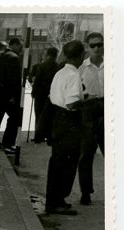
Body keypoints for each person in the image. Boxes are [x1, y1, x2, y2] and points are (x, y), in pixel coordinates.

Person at [45, 40, 92, 215]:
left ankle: (54, 199)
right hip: (69, 121)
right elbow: (72, 104)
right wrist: (87, 100)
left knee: (57, 161)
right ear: (81, 56)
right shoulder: (73, 75)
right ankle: (57, 201)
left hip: (57, 118)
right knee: (67, 162)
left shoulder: (60, 72)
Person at [77, 32, 104, 205]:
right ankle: (85, 192)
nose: (97, 48)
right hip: (88, 111)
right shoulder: (81, 68)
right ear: (87, 47)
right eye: (93, 45)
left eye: (99, 44)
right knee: (86, 154)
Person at [31, 47, 60, 143]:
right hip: (52, 94)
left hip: (40, 94)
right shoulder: (58, 66)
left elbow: (37, 80)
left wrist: (33, 92)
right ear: (56, 55)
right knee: (51, 115)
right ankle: (50, 136)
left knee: (39, 114)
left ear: (48, 54)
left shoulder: (42, 66)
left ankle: (38, 136)